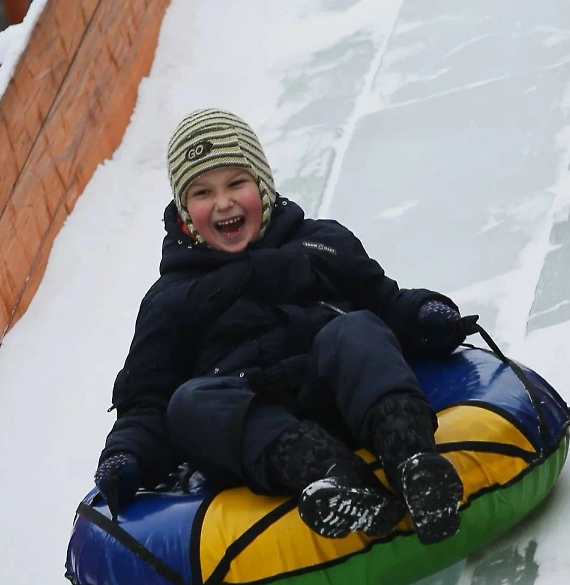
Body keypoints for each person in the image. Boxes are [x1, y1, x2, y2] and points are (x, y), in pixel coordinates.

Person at [93, 109, 476, 544]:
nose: (223, 203)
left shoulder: (321, 244)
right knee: (190, 402)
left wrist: (427, 316)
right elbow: (147, 401)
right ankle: (331, 479)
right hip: (256, 429)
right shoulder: (170, 300)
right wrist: (125, 456)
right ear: (184, 213)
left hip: (335, 393)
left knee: (355, 329)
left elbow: (386, 304)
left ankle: (413, 462)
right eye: (202, 192)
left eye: (237, 183)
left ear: (263, 186)